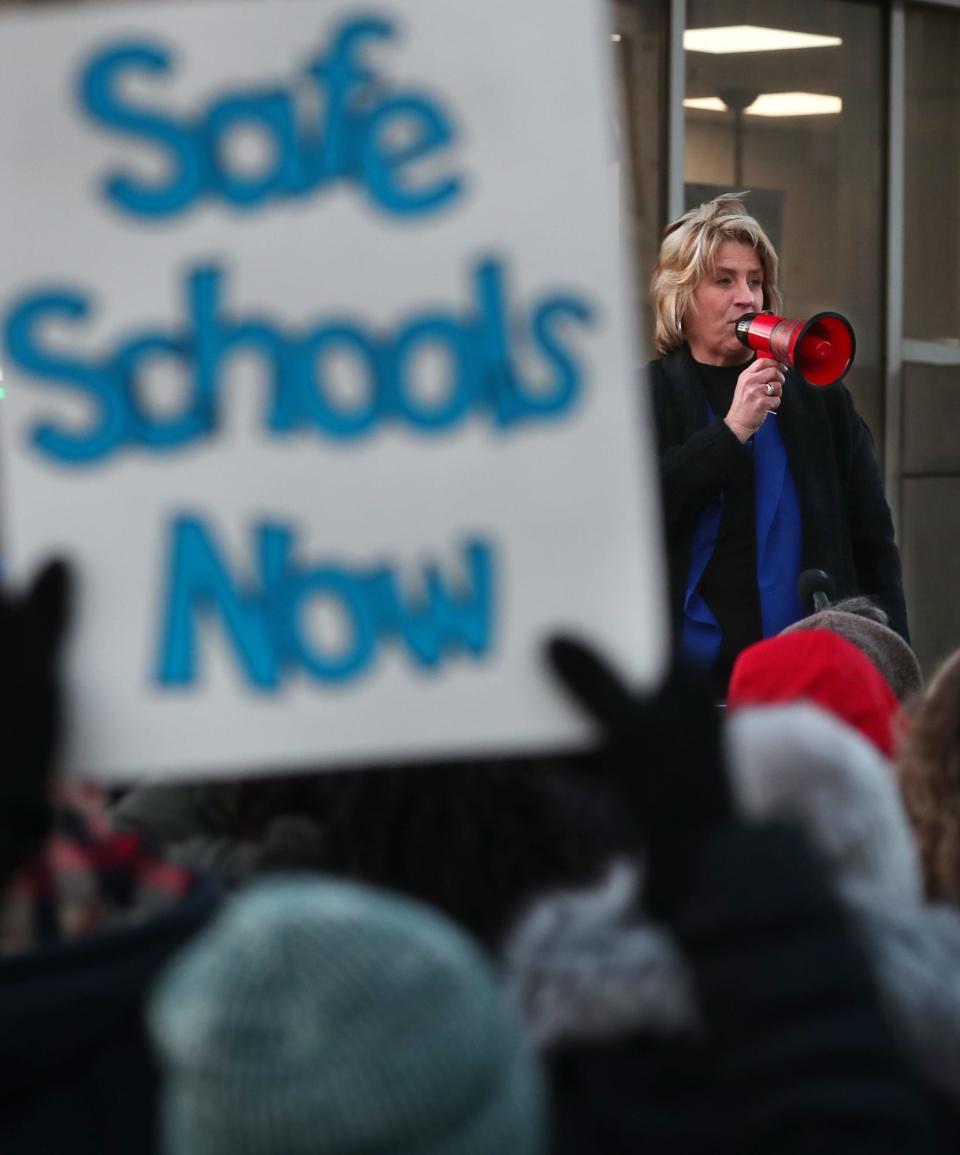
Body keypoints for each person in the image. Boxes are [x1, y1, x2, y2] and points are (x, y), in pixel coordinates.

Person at [648, 192, 907, 695]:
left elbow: (873, 542)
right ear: (681, 296)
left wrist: (894, 671)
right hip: (691, 690)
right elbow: (635, 516)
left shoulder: (818, 401)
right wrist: (731, 434)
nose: (747, 298)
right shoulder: (645, 397)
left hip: (810, 679)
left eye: (756, 281)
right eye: (723, 280)